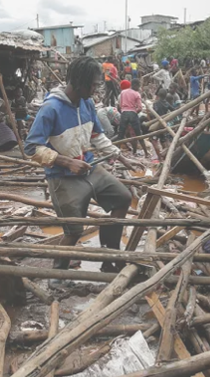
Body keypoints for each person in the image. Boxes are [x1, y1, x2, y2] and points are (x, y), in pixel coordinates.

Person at [24, 57, 139, 282]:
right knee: (74, 230)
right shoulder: (51, 108)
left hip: (89, 167)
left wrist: (119, 155)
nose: (96, 91)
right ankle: (58, 275)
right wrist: (67, 162)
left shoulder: (86, 104)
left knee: (123, 198)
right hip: (62, 177)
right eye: (94, 85)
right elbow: (31, 147)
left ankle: (110, 257)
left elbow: (97, 135)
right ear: (79, 83)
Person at [118, 79, 149, 157]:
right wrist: (135, 112)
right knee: (139, 134)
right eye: (139, 86)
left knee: (121, 134)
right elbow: (140, 108)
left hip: (124, 113)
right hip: (132, 113)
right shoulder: (137, 94)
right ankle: (146, 153)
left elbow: (120, 105)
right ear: (135, 85)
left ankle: (116, 154)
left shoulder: (123, 92)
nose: (139, 88)